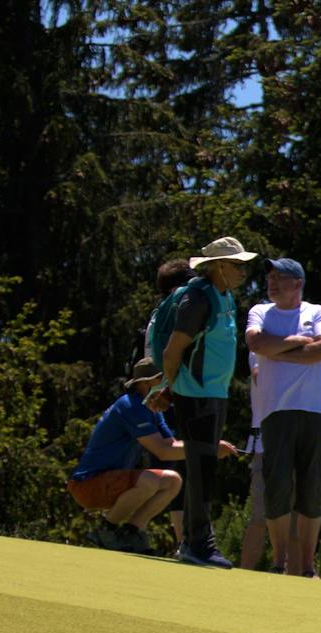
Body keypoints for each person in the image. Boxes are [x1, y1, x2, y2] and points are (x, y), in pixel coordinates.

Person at [149, 235, 256, 568]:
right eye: (237, 265)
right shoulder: (197, 300)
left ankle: (194, 543)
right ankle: (198, 544)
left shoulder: (224, 298)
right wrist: (171, 386)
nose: (243, 272)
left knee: (203, 467)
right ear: (219, 267)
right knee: (200, 467)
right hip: (195, 394)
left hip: (213, 394)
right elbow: (172, 351)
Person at [68, 358, 234, 554]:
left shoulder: (150, 409)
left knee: (172, 481)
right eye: (162, 380)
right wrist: (210, 449)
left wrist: (208, 445)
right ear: (145, 383)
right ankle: (107, 530)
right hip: (87, 485)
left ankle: (131, 532)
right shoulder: (131, 406)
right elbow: (162, 452)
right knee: (150, 481)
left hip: (109, 481)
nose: (167, 386)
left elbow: (170, 445)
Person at [242, 257, 321, 578]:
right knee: (277, 486)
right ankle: (279, 562)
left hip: (313, 410)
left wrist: (277, 350)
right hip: (274, 412)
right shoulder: (260, 312)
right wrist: (296, 343)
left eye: (281, 277)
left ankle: (308, 567)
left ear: (298, 283)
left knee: (311, 489)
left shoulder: (317, 312)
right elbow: (255, 343)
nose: (272, 282)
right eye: (270, 276)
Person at [144, 258, 195, 550]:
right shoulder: (177, 311)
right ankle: (184, 540)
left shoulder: (157, 313)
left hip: (157, 394)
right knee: (180, 470)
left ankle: (179, 539)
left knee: (169, 469)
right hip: (173, 392)